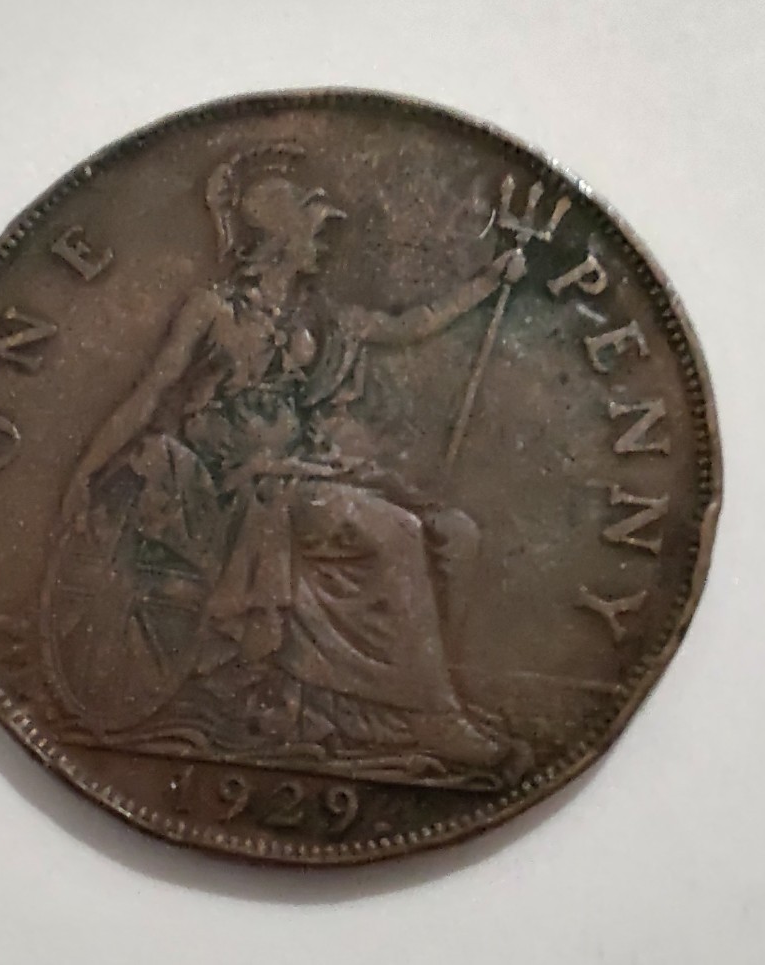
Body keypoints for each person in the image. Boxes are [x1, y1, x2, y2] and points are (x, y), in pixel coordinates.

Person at [43, 143, 531, 786]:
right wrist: (87, 469)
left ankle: (383, 707)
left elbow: (411, 323)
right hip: (236, 489)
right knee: (395, 534)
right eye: (315, 231)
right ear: (278, 239)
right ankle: (430, 720)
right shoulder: (213, 310)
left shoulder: (319, 317)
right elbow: (151, 393)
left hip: (305, 473)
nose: (326, 245)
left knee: (454, 534)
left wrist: (489, 282)